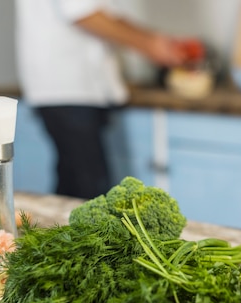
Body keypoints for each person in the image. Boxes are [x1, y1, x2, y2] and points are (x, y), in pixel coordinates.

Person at [15, 0, 185, 199]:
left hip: (76, 89)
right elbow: (81, 11)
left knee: (72, 188)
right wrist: (149, 44)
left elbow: (99, 11)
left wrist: (152, 41)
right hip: (68, 86)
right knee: (91, 193)